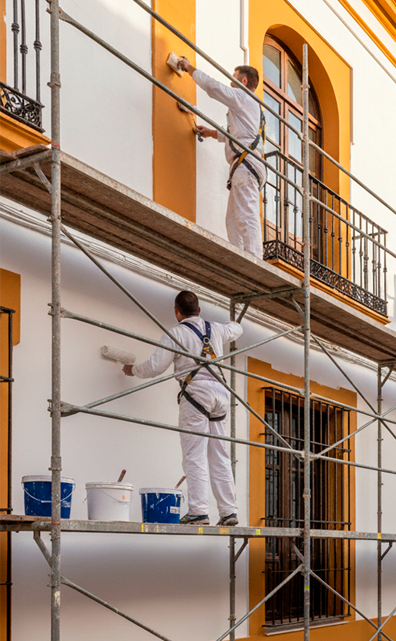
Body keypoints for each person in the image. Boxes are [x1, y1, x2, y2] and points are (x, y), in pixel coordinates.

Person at [123, 291, 243, 526]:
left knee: (194, 455)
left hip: (195, 393)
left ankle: (199, 512)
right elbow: (236, 330)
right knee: (220, 454)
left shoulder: (176, 333)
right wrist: (234, 317)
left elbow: (155, 367)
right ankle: (229, 511)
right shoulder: (215, 329)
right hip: (220, 393)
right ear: (199, 311)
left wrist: (133, 370)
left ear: (176, 312)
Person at [178, 57, 266, 259]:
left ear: (243, 82)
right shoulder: (251, 107)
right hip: (247, 164)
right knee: (233, 219)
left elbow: (212, 87)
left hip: (246, 166)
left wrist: (189, 67)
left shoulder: (243, 97)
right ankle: (243, 258)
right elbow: (242, 135)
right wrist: (212, 133)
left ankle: (254, 260)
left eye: (233, 79)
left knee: (245, 215)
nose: (230, 83)